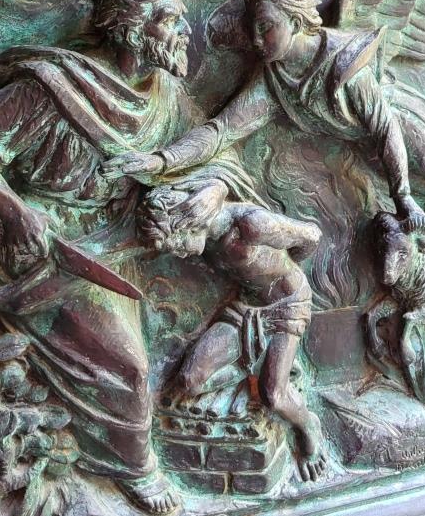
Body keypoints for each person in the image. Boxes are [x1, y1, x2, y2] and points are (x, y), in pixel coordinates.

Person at [0, 0, 256, 515]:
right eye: (171, 21)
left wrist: (214, 188)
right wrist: (16, 212)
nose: (185, 32)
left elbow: (215, 151)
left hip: (116, 238)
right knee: (129, 367)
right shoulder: (52, 87)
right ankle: (134, 469)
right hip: (43, 248)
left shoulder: (162, 91)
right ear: (133, 28)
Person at [103, 0, 425, 228]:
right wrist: (160, 160)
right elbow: (221, 131)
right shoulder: (272, 79)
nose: (257, 39)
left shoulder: (346, 64)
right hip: (364, 150)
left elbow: (386, 128)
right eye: (254, 28)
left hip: (402, 124)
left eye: (267, 27)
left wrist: (405, 198)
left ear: (297, 21)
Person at [137, 185, 329, 483]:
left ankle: (308, 425)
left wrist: (284, 276)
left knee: (274, 395)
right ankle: (256, 361)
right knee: (190, 380)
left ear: (191, 222)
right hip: (245, 308)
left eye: (178, 243)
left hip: (286, 307)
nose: (179, 252)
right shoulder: (208, 237)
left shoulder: (252, 226)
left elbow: (311, 237)